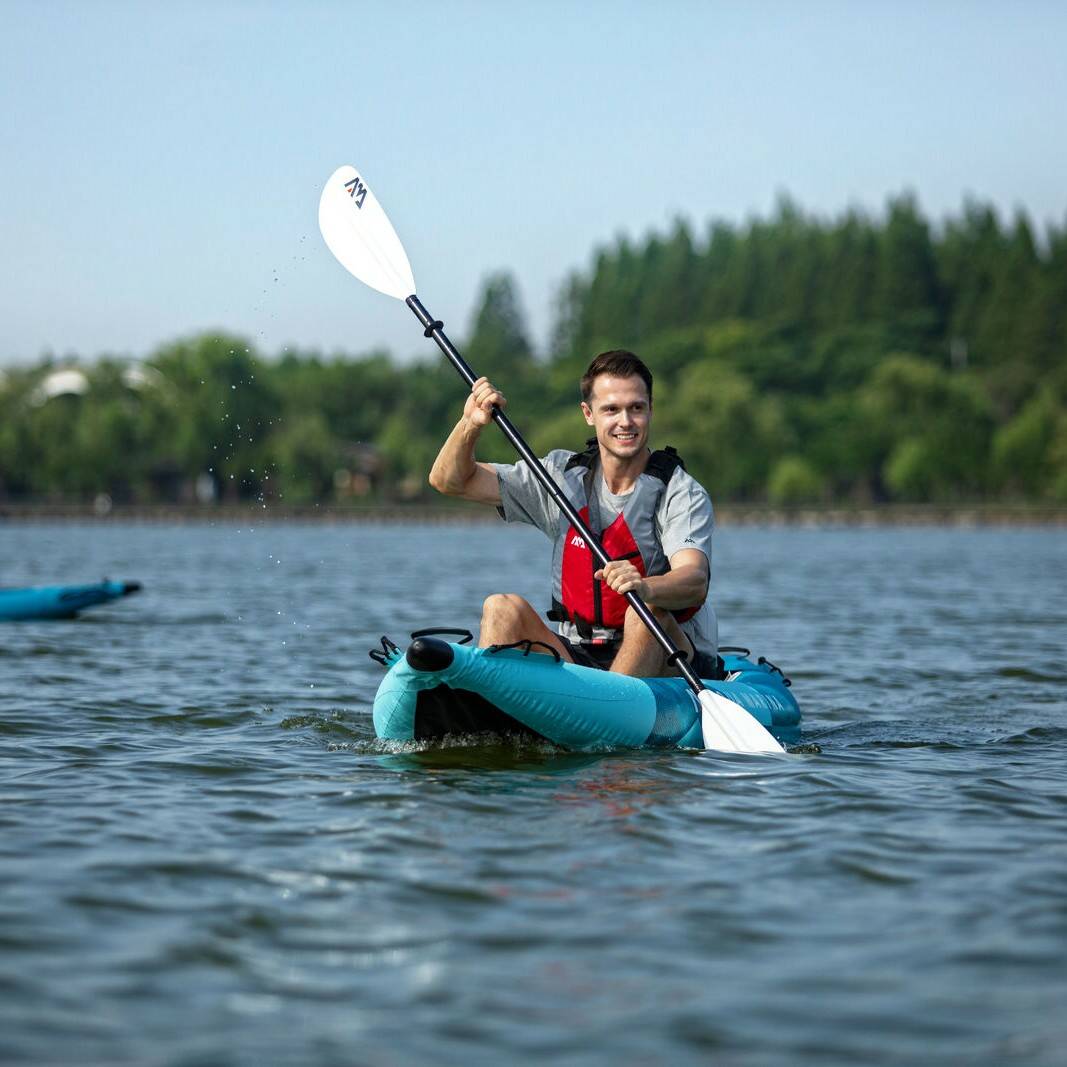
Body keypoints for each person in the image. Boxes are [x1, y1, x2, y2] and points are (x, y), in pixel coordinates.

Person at [428, 350, 720, 678]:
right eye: (611, 409)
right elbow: (449, 480)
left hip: (669, 655)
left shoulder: (680, 492)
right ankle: (490, 712)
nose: (625, 421)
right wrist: (470, 424)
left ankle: (607, 713)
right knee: (500, 609)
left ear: (650, 410)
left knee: (644, 614)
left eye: (636, 408)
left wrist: (646, 587)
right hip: (579, 650)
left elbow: (694, 580)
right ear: (588, 413)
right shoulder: (559, 478)